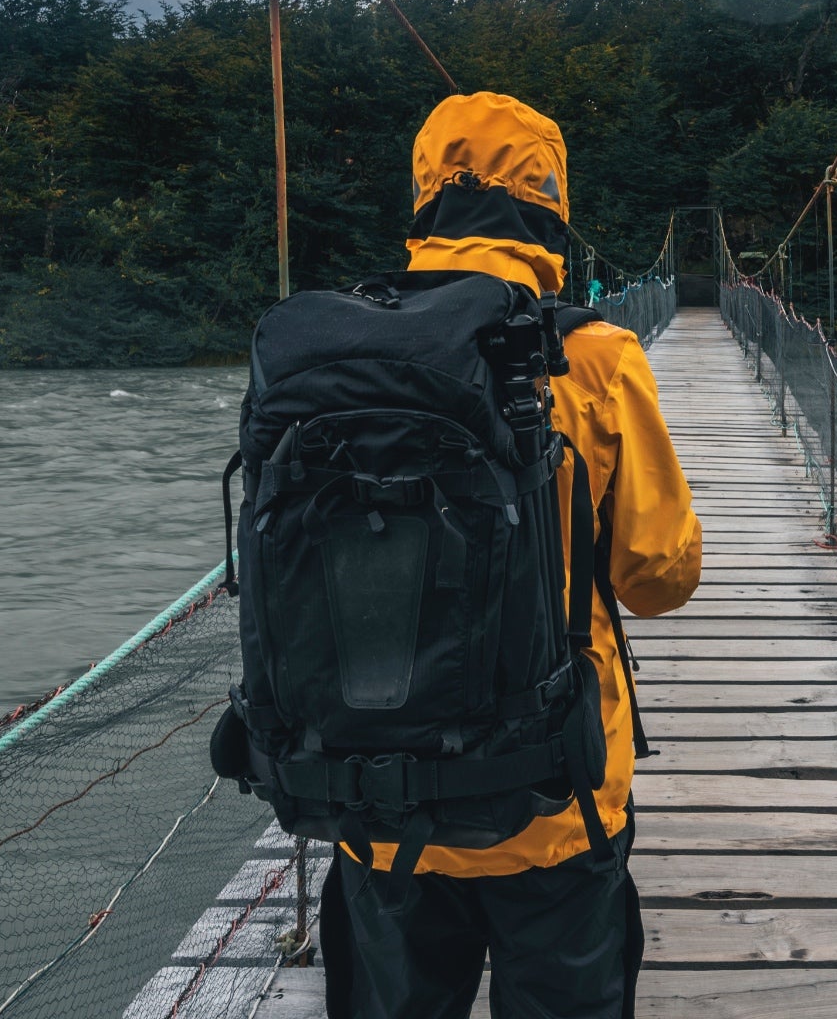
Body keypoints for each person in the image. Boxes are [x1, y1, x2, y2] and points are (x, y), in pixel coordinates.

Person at [320, 90, 704, 1019]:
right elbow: (659, 580)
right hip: (554, 792)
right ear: (552, 200)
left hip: (372, 794)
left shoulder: (327, 349)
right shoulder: (598, 356)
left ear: (421, 195)